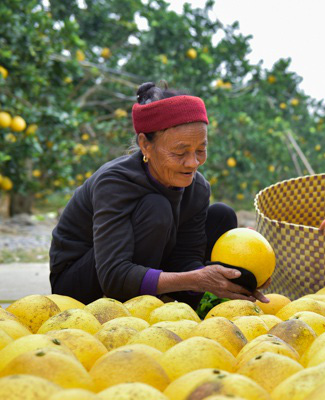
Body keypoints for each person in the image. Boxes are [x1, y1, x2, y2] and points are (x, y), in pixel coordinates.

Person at [50, 82, 266, 306]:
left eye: (201, 150)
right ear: (145, 145)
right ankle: (143, 300)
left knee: (222, 214)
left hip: (148, 264)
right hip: (82, 284)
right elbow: (113, 275)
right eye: (180, 152)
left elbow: (186, 258)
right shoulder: (114, 182)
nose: (193, 163)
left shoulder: (197, 188)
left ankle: (175, 298)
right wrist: (197, 279)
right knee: (156, 207)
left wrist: (236, 277)